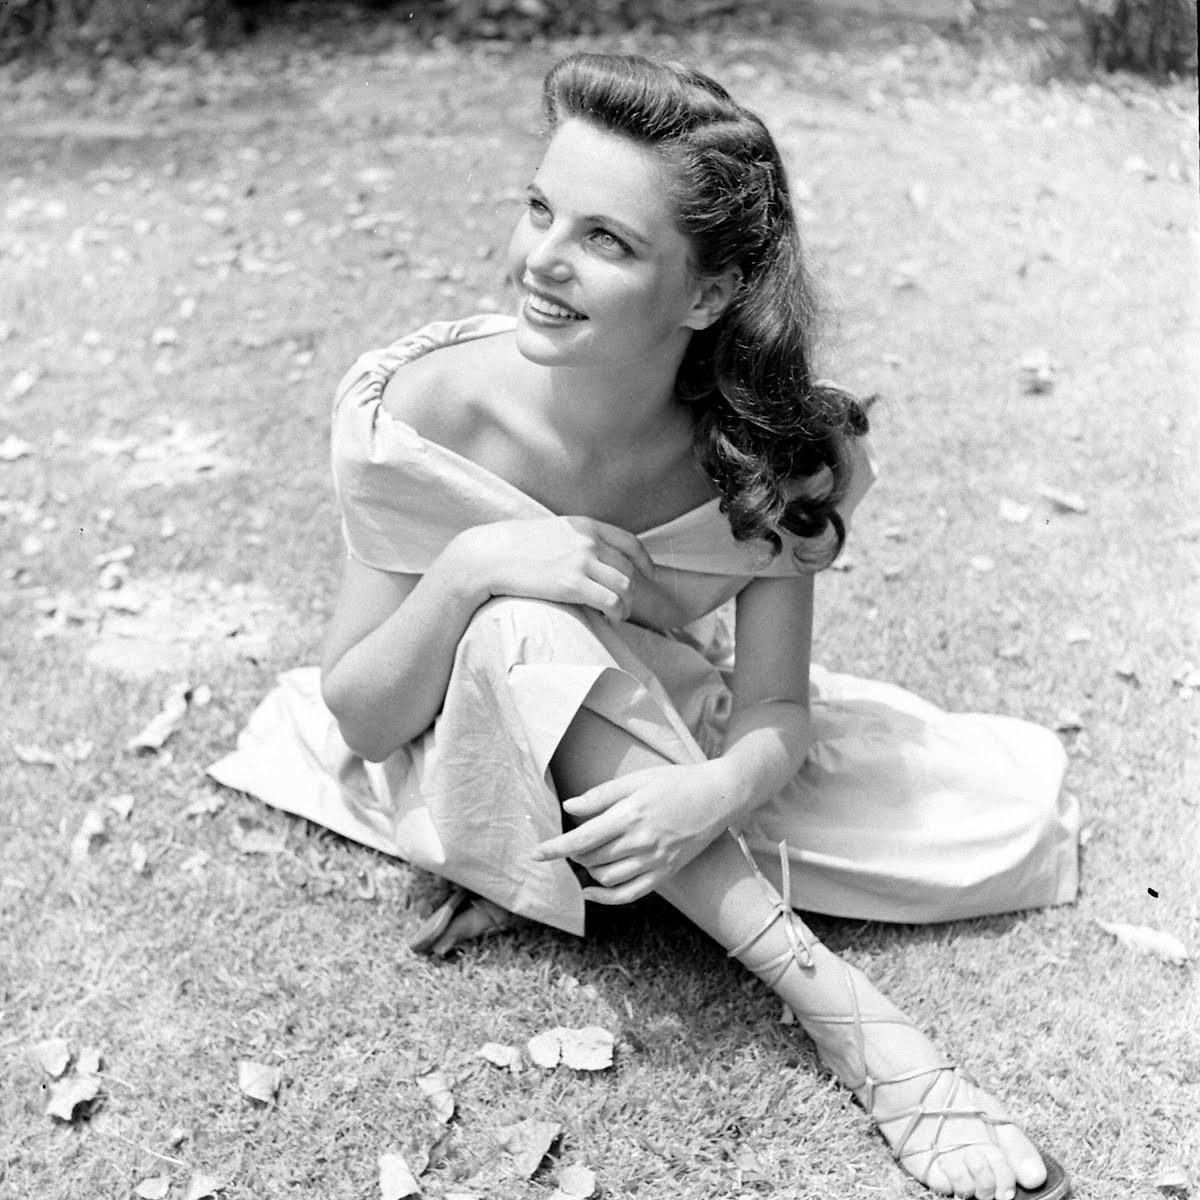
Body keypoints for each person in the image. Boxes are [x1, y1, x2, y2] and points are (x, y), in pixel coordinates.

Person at [209, 52, 1078, 1200]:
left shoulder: (780, 453)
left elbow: (777, 707)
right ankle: (857, 1025)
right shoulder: (421, 413)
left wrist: (709, 794)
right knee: (521, 622)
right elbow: (363, 719)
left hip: (659, 713)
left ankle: (572, 851)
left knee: (993, 827)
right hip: (454, 726)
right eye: (539, 208)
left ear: (707, 296)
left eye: (605, 241)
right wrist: (470, 567)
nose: (541, 260)